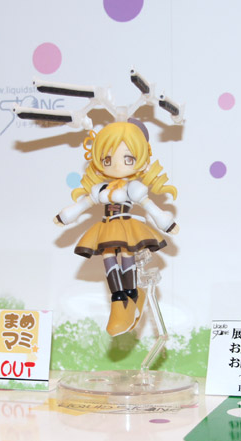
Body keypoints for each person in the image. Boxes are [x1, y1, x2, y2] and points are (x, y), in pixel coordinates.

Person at [55, 120, 178, 336]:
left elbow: (150, 207)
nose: (117, 165)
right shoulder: (100, 188)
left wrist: (167, 223)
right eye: (107, 159)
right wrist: (65, 216)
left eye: (127, 158)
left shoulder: (133, 187)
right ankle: (118, 296)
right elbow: (83, 205)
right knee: (108, 256)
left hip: (126, 224)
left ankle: (131, 293)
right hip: (107, 226)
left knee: (127, 254)